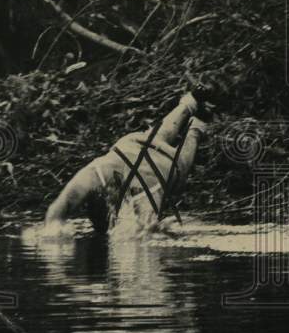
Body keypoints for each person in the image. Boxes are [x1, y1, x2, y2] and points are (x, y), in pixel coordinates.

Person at [44, 92, 210, 232]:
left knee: (184, 156)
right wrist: (53, 229)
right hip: (132, 145)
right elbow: (57, 209)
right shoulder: (95, 175)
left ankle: (198, 124)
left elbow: (146, 233)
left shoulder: (142, 196)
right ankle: (189, 103)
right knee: (154, 136)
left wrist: (162, 227)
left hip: (164, 166)